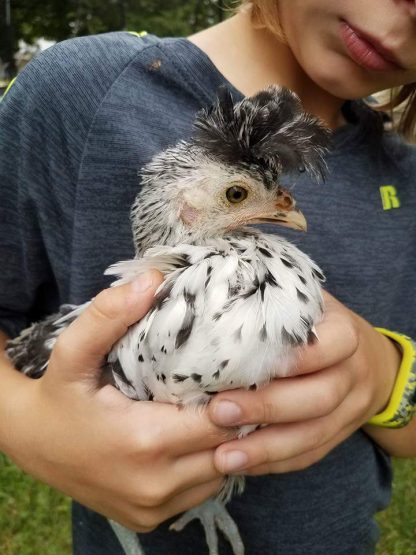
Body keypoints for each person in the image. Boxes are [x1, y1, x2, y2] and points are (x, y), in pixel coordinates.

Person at [1, 1, 416, 553]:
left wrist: (382, 377)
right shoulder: (81, 92)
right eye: (241, 194)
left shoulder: (405, 179)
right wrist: (29, 426)